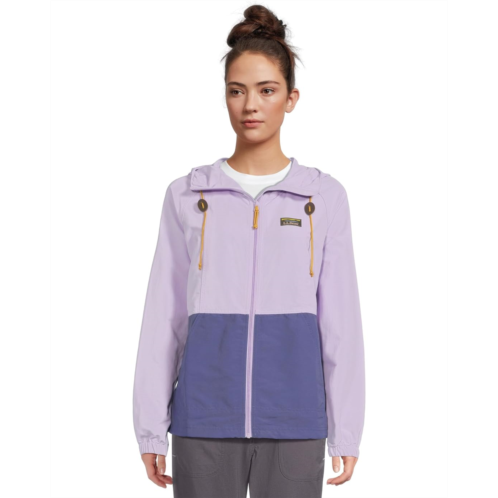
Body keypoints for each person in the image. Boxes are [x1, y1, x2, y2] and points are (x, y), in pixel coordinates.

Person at [133, 5, 366, 497]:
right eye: (237, 91)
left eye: (267, 90)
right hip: (202, 420)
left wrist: (346, 430)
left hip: (296, 422)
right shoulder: (188, 196)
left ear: (291, 98)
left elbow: (341, 323)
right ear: (224, 96)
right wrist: (151, 427)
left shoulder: (323, 198)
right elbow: (163, 317)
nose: (250, 106)